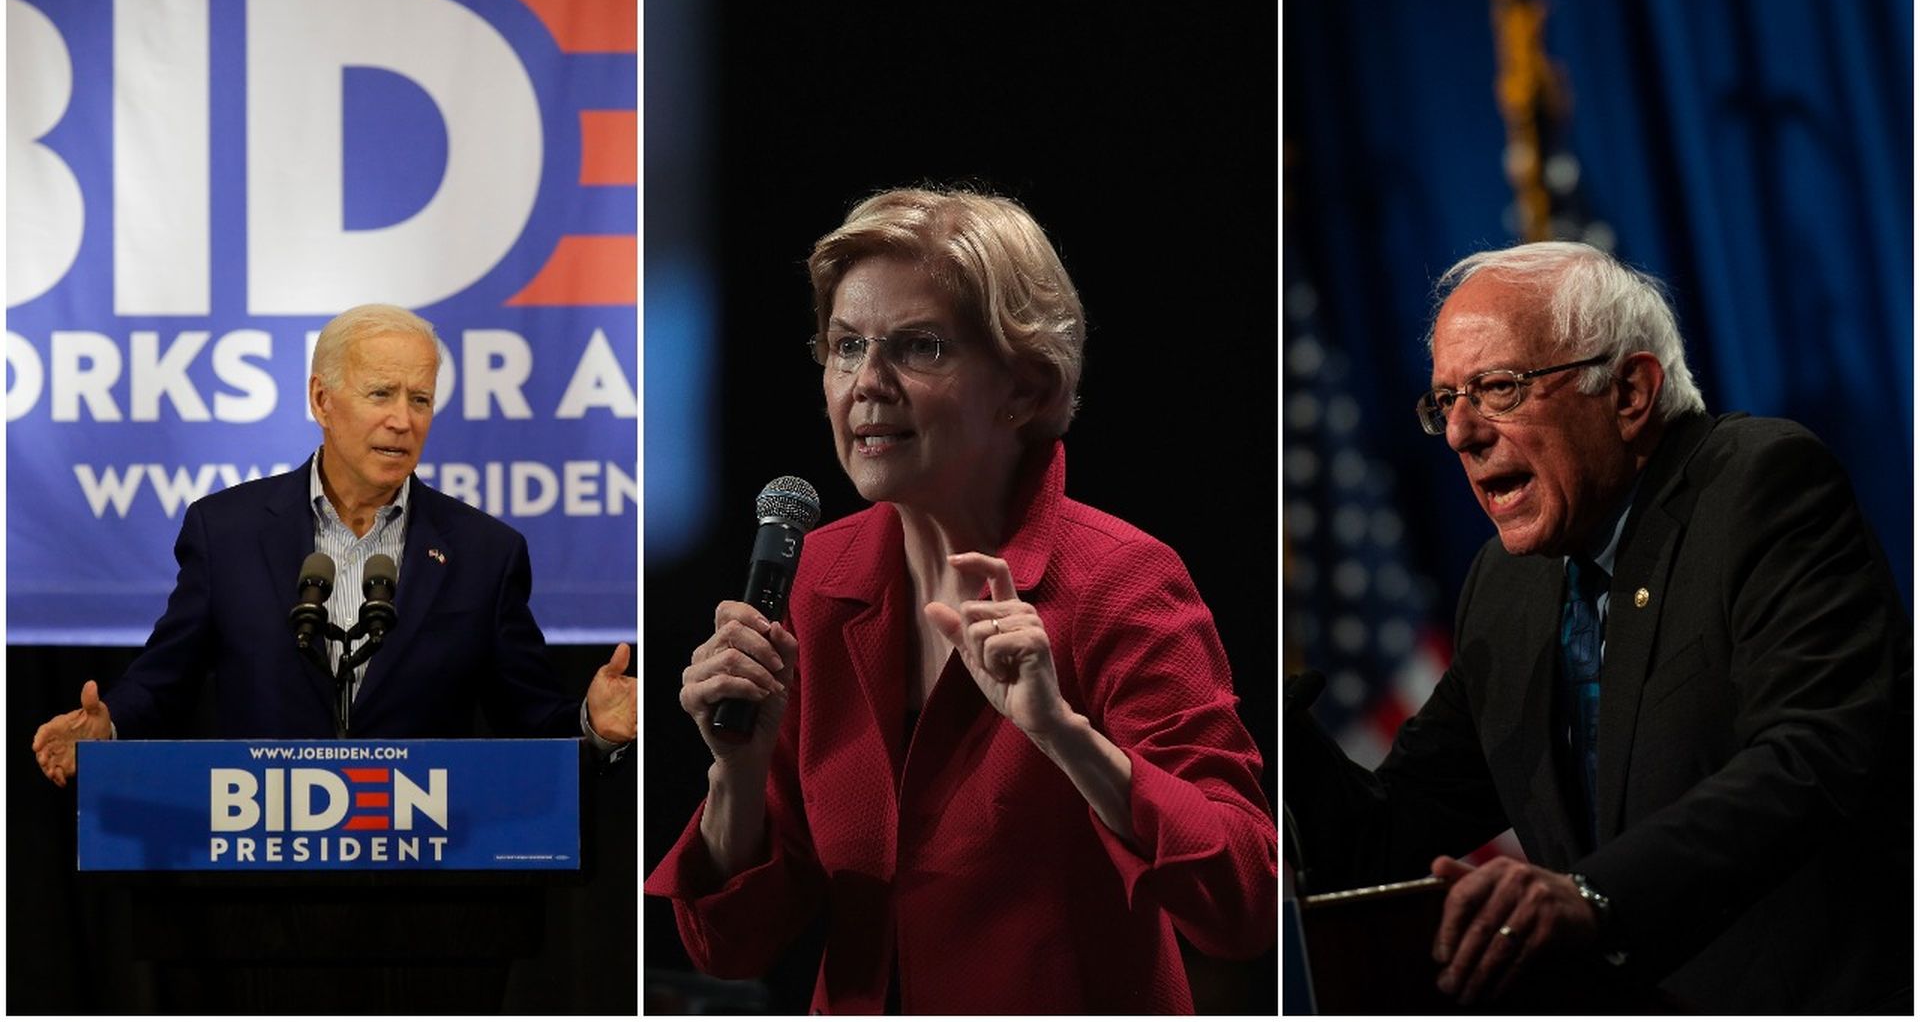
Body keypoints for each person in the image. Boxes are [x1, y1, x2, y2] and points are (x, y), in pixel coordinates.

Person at [644, 187, 1277, 1013]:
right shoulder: (819, 581)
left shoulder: (1121, 580)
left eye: (921, 347)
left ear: (1025, 385)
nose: (867, 384)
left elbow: (1245, 902)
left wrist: (1062, 734)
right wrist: (739, 769)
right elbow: (732, 947)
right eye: (845, 347)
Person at [1286, 241, 1912, 1013]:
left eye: (1498, 388)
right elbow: (1385, 837)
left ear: (1629, 392)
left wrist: (1594, 896)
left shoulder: (1760, 487)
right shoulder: (1508, 584)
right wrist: (1279, 735)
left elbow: (1811, 757)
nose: (1460, 433)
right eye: (1445, 400)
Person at [32, 304, 636, 783]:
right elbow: (163, 684)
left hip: (426, 884)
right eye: (382, 394)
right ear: (323, 399)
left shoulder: (484, 552)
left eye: (420, 399)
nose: (404, 419)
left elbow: (529, 723)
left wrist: (594, 727)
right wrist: (108, 731)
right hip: (259, 878)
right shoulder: (227, 532)